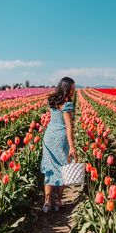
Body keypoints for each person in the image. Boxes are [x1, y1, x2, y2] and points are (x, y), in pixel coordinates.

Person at [40, 77, 76, 212]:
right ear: (66, 88)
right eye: (72, 89)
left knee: (49, 169)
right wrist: (72, 146)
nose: (73, 91)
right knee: (62, 168)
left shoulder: (53, 100)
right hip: (60, 139)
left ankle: (47, 202)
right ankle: (58, 201)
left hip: (49, 136)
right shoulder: (66, 104)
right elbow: (68, 126)